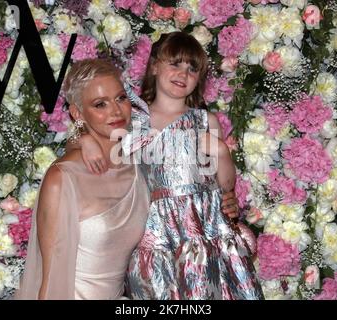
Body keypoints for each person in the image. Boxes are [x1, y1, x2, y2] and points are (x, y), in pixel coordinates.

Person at [78, 32, 263, 299]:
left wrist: (222, 153)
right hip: (155, 229)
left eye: (192, 69)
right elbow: (101, 143)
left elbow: (225, 184)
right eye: (174, 64)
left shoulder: (204, 120)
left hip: (203, 226)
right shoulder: (132, 119)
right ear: (154, 65)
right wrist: (85, 140)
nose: (183, 74)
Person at [15, 59, 150, 299]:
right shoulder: (63, 178)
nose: (116, 111)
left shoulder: (136, 166)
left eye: (120, 98)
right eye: (100, 104)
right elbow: (50, 281)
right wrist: (80, 138)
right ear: (78, 112)